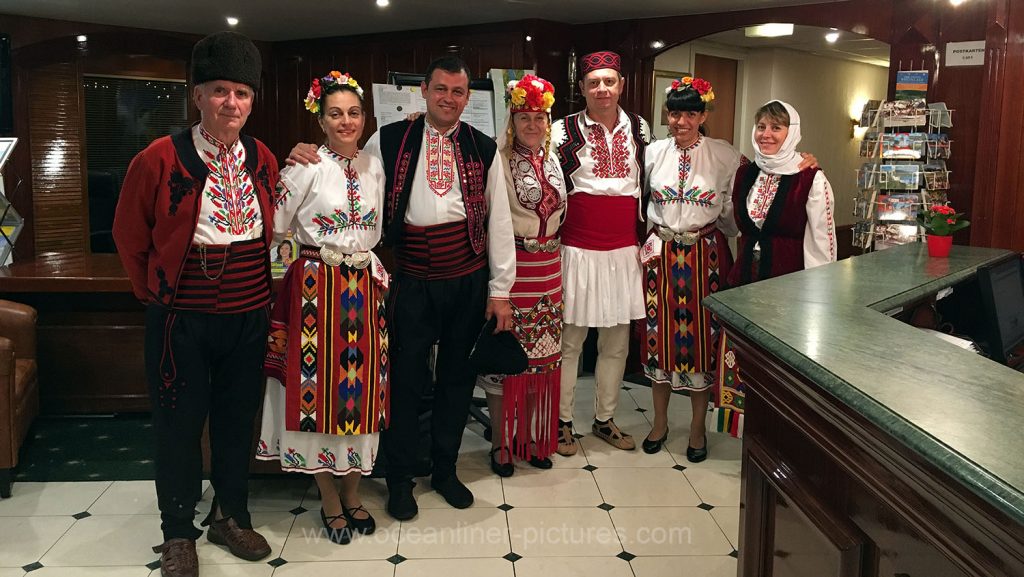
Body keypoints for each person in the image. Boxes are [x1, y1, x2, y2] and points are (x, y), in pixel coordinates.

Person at [287, 56, 516, 521]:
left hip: (466, 277)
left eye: (458, 91)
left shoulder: (484, 147)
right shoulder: (389, 139)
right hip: (410, 277)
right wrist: (304, 153)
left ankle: (446, 471)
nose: (448, 99)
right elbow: (346, 166)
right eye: (440, 90)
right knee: (404, 383)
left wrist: (500, 290)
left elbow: (501, 221)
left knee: (456, 378)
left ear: (467, 97)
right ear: (423, 93)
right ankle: (400, 479)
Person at [113, 31, 276, 577]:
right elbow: (130, 238)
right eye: (221, 91)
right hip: (181, 320)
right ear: (197, 96)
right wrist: (158, 294)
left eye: (243, 94)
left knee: (235, 424)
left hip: (249, 314)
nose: (233, 103)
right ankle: (178, 532)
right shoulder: (158, 158)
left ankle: (229, 517)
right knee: (179, 427)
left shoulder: (264, 157)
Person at [639, 80, 819, 462]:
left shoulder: (726, 156)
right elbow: (643, 204)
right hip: (662, 258)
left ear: (703, 116)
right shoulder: (652, 153)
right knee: (659, 342)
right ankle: (659, 422)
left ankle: (698, 428)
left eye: (690, 113)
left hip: (706, 256)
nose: (681, 121)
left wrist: (803, 162)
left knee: (703, 343)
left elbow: (758, 184)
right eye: (675, 113)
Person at [255, 71, 388, 545]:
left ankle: (354, 492)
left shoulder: (375, 165)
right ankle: (329, 498)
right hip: (315, 290)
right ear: (321, 118)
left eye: (353, 113)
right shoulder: (303, 167)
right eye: (335, 113)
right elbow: (274, 229)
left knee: (362, 394)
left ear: (364, 117)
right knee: (319, 394)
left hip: (364, 289)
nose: (345, 121)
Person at [716, 100, 836, 437]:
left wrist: (817, 301)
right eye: (761, 127)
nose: (766, 134)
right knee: (741, 360)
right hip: (743, 284)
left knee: (777, 369)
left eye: (776, 128)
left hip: (788, 290)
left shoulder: (811, 178)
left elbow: (821, 245)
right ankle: (746, 435)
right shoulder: (746, 172)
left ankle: (777, 439)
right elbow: (734, 223)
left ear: (791, 132)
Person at [551, 51, 649, 455]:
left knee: (616, 344)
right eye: (594, 83)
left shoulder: (641, 129)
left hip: (624, 252)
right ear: (582, 89)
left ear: (621, 84)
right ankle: (562, 422)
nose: (602, 89)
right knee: (570, 342)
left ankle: (605, 419)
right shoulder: (561, 130)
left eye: (609, 81)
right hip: (576, 250)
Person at [479, 74, 566, 477]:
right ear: (512, 121)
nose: (533, 125)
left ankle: (529, 438)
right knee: (506, 361)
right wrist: (499, 284)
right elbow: (495, 222)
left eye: (540, 117)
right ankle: (500, 442)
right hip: (515, 270)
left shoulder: (553, 159)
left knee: (540, 361)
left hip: (550, 271)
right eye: (524, 117)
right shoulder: (498, 160)